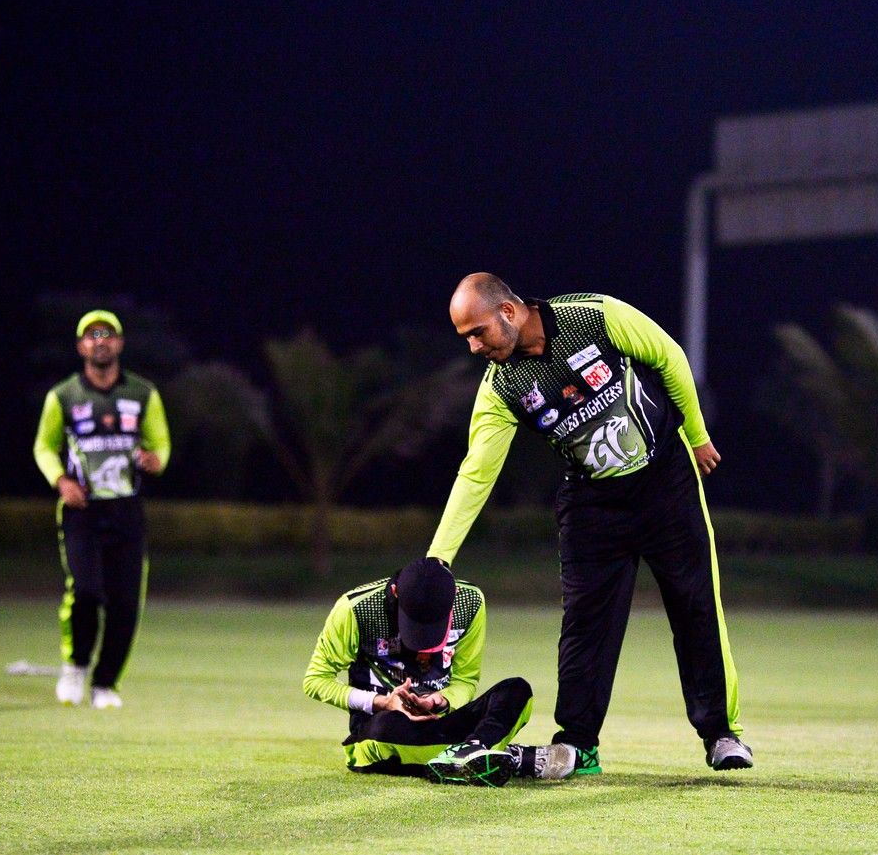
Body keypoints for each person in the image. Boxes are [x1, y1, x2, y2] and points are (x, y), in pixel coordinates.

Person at [427, 273, 753, 775]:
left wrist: (697, 433)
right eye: (465, 337)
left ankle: (721, 734)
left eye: (477, 332)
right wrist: (439, 557)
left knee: (695, 605)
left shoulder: (594, 316)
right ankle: (579, 744)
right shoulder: (501, 387)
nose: (473, 347)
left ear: (508, 312)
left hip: (664, 480)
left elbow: (669, 357)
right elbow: (476, 472)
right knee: (585, 625)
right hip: (591, 504)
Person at [302, 556, 577, 785]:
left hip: (445, 723)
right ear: (395, 593)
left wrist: (442, 701)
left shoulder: (470, 602)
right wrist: (381, 702)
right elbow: (315, 680)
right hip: (385, 727)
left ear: (453, 597)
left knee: (516, 691)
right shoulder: (356, 609)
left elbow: (465, 679)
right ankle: (503, 756)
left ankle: (471, 751)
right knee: (379, 736)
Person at [33, 309, 171, 709]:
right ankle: (75, 666)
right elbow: (44, 447)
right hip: (82, 511)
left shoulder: (143, 394)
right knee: (87, 591)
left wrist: (156, 460)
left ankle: (105, 683)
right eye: (92, 335)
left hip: (126, 509)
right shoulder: (63, 396)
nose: (100, 341)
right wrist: (61, 480)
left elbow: (161, 444)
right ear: (81, 346)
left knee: (125, 603)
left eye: (107, 334)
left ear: (120, 343)